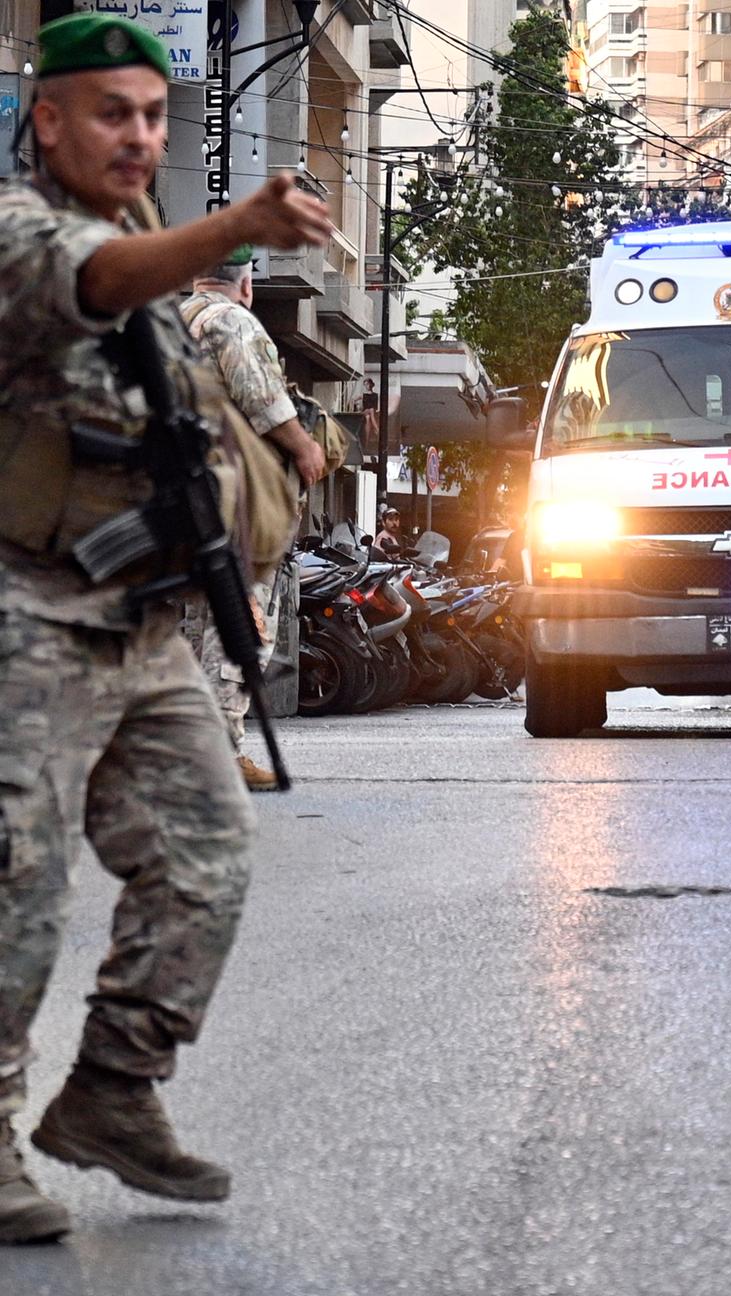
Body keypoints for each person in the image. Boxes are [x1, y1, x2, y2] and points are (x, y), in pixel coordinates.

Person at [0, 13, 331, 1244]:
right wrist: (238, 224)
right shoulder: (25, 234)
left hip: (144, 622)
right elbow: (90, 283)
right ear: (47, 120)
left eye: (152, 115)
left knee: (208, 852)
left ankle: (113, 1092)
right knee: (17, 883)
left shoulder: (155, 263)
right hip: (25, 614)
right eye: (110, 114)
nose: (139, 137)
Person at [181, 246, 325, 792]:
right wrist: (305, 449)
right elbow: (262, 398)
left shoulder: (175, 319)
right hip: (234, 498)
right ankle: (221, 752)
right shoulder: (232, 322)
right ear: (245, 284)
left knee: (198, 626)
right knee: (240, 621)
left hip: (182, 496)